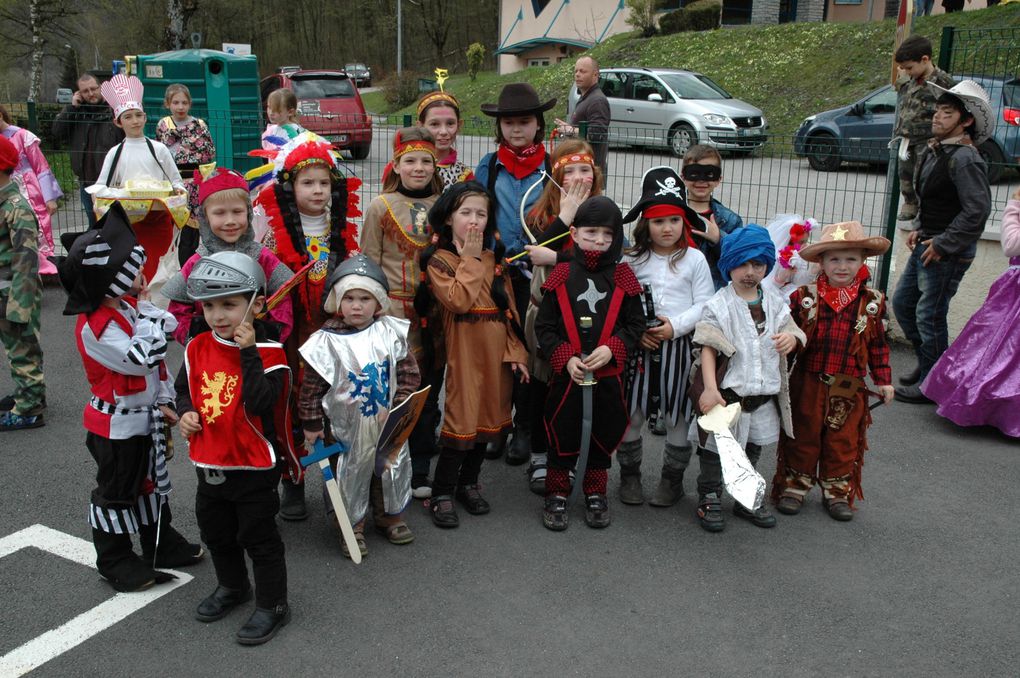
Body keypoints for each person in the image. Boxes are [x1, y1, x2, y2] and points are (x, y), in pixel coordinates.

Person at [58, 203, 203, 593]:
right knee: (117, 491)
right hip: (115, 424)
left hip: (142, 416)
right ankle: (114, 557)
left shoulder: (125, 307)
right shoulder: (96, 326)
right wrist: (151, 318)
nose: (143, 274)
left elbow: (163, 329)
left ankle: (159, 542)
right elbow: (142, 359)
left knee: (150, 482)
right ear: (110, 278)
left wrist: (165, 400)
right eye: (134, 268)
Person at [177, 251, 293, 645]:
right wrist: (185, 413)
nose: (218, 315)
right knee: (216, 532)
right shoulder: (196, 347)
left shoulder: (272, 355)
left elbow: (261, 403)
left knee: (258, 538)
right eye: (209, 306)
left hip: (254, 467)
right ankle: (232, 586)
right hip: (210, 461)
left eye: (229, 304)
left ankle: (273, 604)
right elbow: (183, 391)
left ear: (256, 305)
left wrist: (248, 352)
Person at [258, 131, 360, 519]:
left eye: (323, 182)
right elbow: (269, 281)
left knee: (335, 404)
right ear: (290, 185)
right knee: (292, 406)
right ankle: (294, 482)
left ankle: (336, 480)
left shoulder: (344, 227)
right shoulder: (272, 230)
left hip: (333, 333)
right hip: (293, 334)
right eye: (307, 182)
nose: (317, 191)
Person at [415, 182, 529, 528]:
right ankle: (443, 492)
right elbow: (460, 301)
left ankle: (468, 483)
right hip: (464, 351)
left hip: (496, 353)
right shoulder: (440, 261)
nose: (474, 221)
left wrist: (517, 352)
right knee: (462, 418)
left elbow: (509, 312)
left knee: (490, 417)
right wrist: (469, 258)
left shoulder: (496, 260)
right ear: (449, 219)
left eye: (481, 213)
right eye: (466, 213)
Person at [299, 254, 421, 556]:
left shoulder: (389, 332)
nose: (357, 305)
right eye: (350, 298)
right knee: (350, 474)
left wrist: (399, 408)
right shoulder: (325, 341)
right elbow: (312, 389)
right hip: (345, 429)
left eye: (365, 298)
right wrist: (312, 424)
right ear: (338, 301)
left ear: (377, 302)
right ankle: (351, 525)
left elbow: (408, 374)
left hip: (386, 421)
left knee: (388, 468)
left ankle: (389, 516)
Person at [536, 196, 645, 531]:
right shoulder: (562, 273)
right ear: (574, 232)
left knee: (603, 431)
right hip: (569, 376)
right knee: (561, 430)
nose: (599, 240)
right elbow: (545, 327)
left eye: (608, 234)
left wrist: (613, 348)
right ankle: (557, 491)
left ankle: (596, 492)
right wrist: (565, 357)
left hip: (608, 377)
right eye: (591, 232)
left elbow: (635, 326)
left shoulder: (624, 277)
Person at [772, 221, 894, 521]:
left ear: (862, 261)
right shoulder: (804, 297)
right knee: (802, 433)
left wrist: (884, 380)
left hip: (849, 386)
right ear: (822, 262)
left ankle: (836, 491)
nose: (842, 266)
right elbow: (788, 336)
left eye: (850, 259)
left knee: (843, 439)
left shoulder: (872, 303)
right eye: (834, 259)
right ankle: (795, 487)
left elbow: (877, 345)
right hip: (808, 381)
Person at [689, 225, 805, 533]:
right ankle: (710, 494)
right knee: (717, 450)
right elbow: (708, 348)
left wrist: (792, 339)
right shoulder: (720, 304)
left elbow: (793, 328)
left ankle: (745, 496)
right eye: (742, 264)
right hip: (728, 396)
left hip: (762, 397)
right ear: (729, 265)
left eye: (758, 264)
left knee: (752, 447)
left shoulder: (775, 302)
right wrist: (711, 389)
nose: (750, 272)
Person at [617, 167, 714, 507]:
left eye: (674, 220)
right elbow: (622, 303)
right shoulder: (632, 260)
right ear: (645, 224)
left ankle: (671, 481)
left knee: (677, 416)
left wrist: (674, 326)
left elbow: (705, 304)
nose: (667, 228)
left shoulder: (695, 260)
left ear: (684, 222)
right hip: (640, 351)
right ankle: (629, 477)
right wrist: (639, 332)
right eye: (658, 221)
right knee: (633, 414)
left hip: (680, 350)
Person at [892, 80, 993, 404]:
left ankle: (931, 382)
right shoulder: (940, 150)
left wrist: (943, 243)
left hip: (946, 252)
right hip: (929, 244)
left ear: (966, 121)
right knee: (904, 305)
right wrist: (920, 228)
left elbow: (976, 211)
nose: (937, 118)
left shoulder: (965, 159)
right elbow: (936, 200)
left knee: (929, 314)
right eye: (937, 111)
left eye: (946, 113)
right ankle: (929, 367)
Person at [361, 127, 444, 498]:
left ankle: (423, 463)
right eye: (410, 160)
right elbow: (369, 263)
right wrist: (376, 310)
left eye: (426, 160)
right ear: (396, 164)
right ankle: (389, 462)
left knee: (428, 387)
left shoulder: (446, 203)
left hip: (438, 308)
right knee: (397, 391)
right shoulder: (381, 206)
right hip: (394, 314)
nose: (419, 167)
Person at [476, 82, 555, 467]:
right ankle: (499, 425)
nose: (516, 129)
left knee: (531, 351)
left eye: (524, 122)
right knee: (498, 352)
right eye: (509, 123)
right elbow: (473, 214)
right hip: (498, 274)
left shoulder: (554, 166)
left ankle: (526, 427)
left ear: (538, 125)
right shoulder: (489, 167)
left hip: (538, 275)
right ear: (500, 127)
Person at [521, 139, 600, 493]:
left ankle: (565, 455)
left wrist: (559, 260)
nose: (579, 178)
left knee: (573, 389)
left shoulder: (603, 214)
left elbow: (608, 261)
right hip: (547, 315)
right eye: (570, 171)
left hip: (586, 317)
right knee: (542, 386)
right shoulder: (540, 215)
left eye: (585, 170)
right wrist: (566, 216)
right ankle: (539, 454)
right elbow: (535, 252)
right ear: (556, 176)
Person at [921, 188, 1020, 438]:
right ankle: (993, 410)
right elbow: (1011, 247)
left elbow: (1011, 245)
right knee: (996, 350)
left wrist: (1014, 211)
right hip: (1014, 295)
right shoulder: (1016, 209)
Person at [161, 166, 294, 345]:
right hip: (209, 355)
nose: (230, 221)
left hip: (256, 351)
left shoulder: (262, 258)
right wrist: (202, 341)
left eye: (237, 212)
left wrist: (264, 338)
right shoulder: (197, 263)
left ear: (248, 213)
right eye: (220, 213)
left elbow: (282, 301)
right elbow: (177, 311)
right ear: (205, 218)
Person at [89, 74, 186, 283]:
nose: (134, 121)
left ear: (145, 117)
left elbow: (177, 183)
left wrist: (177, 193)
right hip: (127, 226)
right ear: (118, 122)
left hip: (158, 222)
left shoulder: (159, 149)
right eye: (128, 117)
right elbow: (99, 187)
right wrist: (122, 195)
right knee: (131, 274)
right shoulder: (115, 153)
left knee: (158, 273)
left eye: (138, 115)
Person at [0, 135, 46, 431]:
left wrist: (19, 306)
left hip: (16, 289)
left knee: (23, 348)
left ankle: (29, 409)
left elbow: (27, 259)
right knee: (15, 347)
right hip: (6, 287)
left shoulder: (16, 206)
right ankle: (29, 394)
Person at [893, 36, 956, 222]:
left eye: (910, 67)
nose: (907, 71)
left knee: (923, 178)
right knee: (905, 175)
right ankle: (910, 204)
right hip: (907, 139)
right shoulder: (911, 80)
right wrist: (903, 79)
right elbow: (904, 95)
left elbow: (951, 109)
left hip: (927, 140)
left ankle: (924, 210)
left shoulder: (942, 82)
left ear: (925, 59)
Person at [52, 72, 124, 228]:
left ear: (101, 88)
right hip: (87, 182)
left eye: (94, 88)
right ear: (79, 93)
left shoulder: (113, 111)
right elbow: (57, 132)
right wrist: (71, 108)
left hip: (113, 182)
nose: (91, 94)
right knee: (94, 225)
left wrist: (112, 106)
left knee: (116, 224)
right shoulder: (77, 113)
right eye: (85, 91)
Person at [155, 83, 216, 265]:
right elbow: (159, 154)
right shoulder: (163, 126)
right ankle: (173, 266)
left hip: (196, 183)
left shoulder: (200, 125)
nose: (180, 107)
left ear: (190, 104)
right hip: (173, 183)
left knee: (194, 229)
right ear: (168, 104)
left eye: (184, 102)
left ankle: (193, 264)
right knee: (173, 228)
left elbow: (208, 153)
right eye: (175, 102)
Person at [0, 105, 63, 275]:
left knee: (37, 229)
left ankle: (42, 271)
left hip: (29, 190)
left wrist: (49, 198)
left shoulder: (22, 136)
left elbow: (41, 167)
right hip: (5, 190)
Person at [681, 144, 745, 290]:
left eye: (709, 174)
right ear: (683, 176)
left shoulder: (730, 220)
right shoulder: (671, 213)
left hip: (712, 294)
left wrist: (719, 239)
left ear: (718, 179)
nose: (701, 181)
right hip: (676, 292)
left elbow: (739, 261)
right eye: (694, 173)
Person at [555, 56, 610, 177]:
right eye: (576, 71)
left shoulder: (597, 101)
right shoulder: (587, 97)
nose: (577, 75)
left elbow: (598, 134)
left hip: (590, 170)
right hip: (581, 166)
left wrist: (571, 130)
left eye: (583, 71)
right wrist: (568, 129)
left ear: (595, 75)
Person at [416, 90, 474, 188]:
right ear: (420, 126)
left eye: (450, 123)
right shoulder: (404, 167)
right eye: (434, 124)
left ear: (459, 125)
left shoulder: (464, 175)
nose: (443, 132)